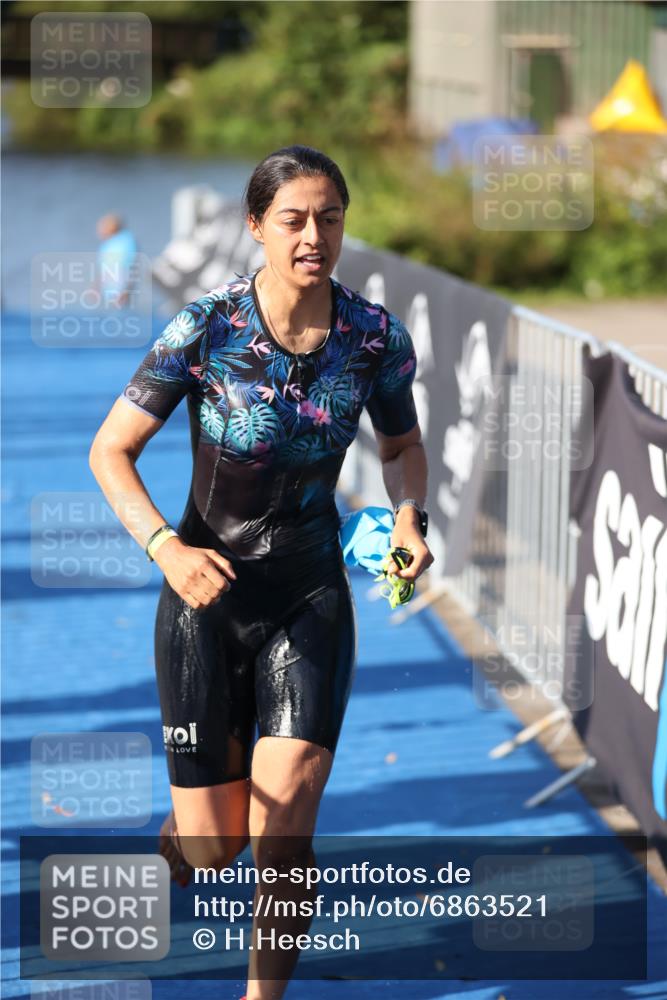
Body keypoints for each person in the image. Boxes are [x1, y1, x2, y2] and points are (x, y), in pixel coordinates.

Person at [88, 145, 433, 1000]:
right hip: (204, 600)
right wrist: (166, 548)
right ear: (256, 228)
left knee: (287, 829)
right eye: (293, 219)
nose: (314, 235)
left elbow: (402, 446)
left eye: (330, 217)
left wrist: (409, 517)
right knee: (217, 847)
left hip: (310, 596)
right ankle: (182, 840)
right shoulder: (207, 327)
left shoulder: (373, 336)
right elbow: (112, 451)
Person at [96, 213, 138, 308]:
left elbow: (133, 267)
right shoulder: (107, 244)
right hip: (109, 292)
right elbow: (103, 268)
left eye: (103, 226)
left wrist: (127, 290)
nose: (99, 230)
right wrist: (96, 287)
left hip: (122, 290)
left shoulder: (126, 241)